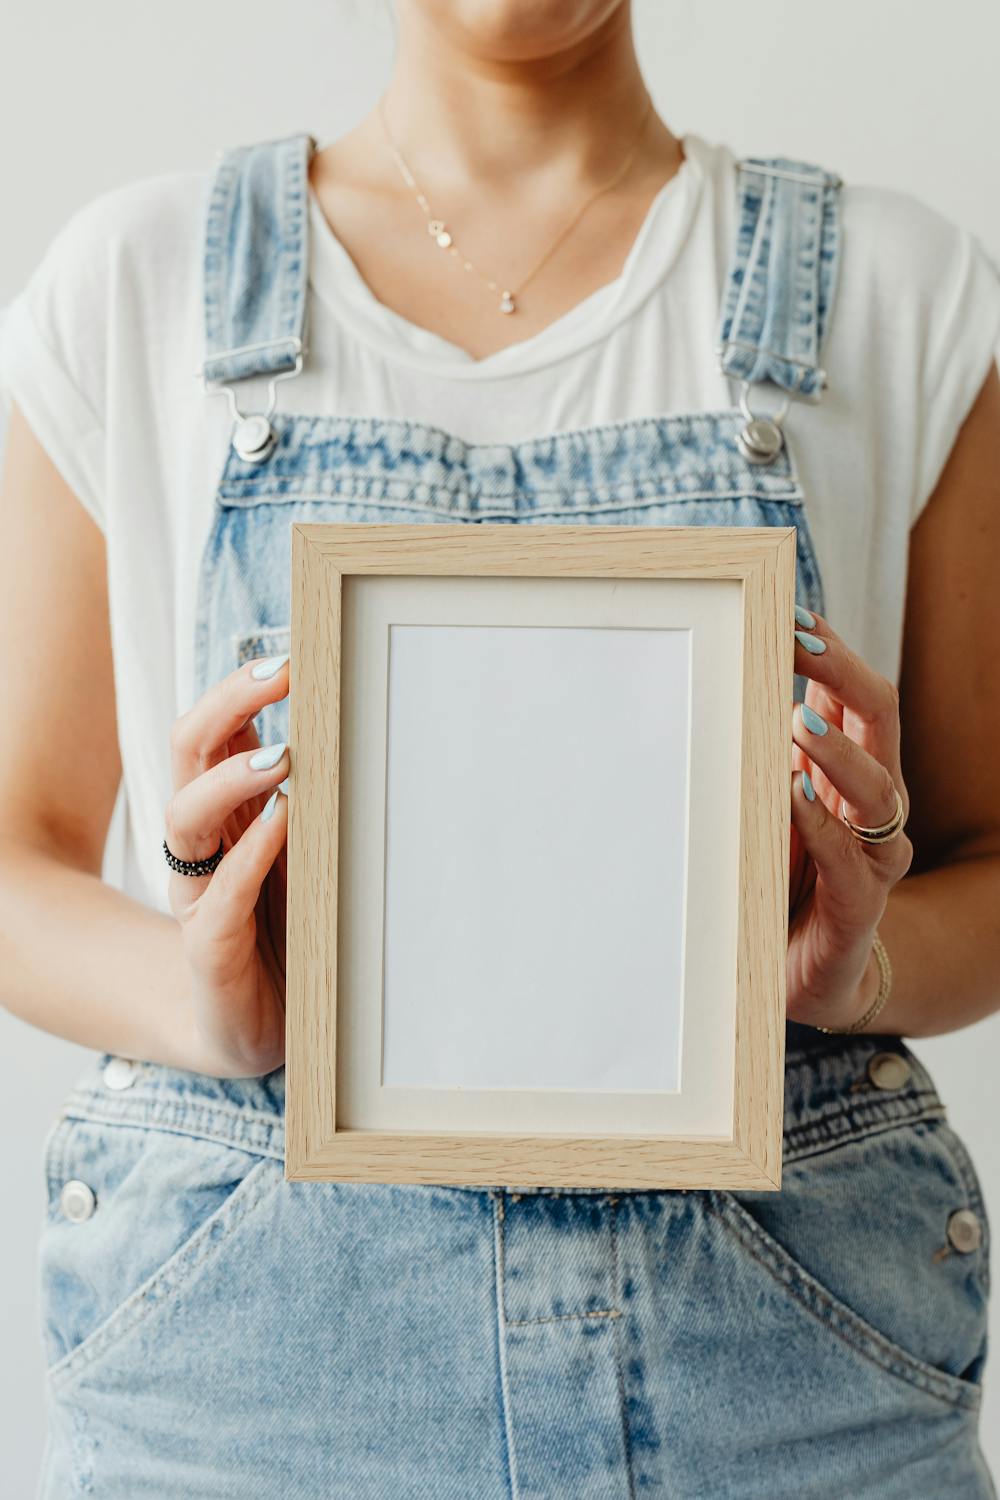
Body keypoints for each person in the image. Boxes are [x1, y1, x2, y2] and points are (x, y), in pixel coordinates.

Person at [2, 2, 999, 1494]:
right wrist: (205, 1003)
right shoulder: (134, 287)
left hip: (791, 1374)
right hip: (244, 1392)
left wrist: (857, 970)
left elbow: (986, 866)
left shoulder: (898, 292)